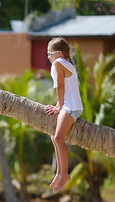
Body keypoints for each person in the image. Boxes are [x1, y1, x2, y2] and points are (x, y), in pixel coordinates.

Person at [45, 37, 83, 193]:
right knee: (54, 136)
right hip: (71, 106)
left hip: (70, 107)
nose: (48, 57)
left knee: (59, 138)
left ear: (59, 53)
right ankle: (60, 173)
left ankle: (64, 174)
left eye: (50, 53)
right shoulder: (65, 63)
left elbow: (60, 87)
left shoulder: (58, 63)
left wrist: (59, 106)